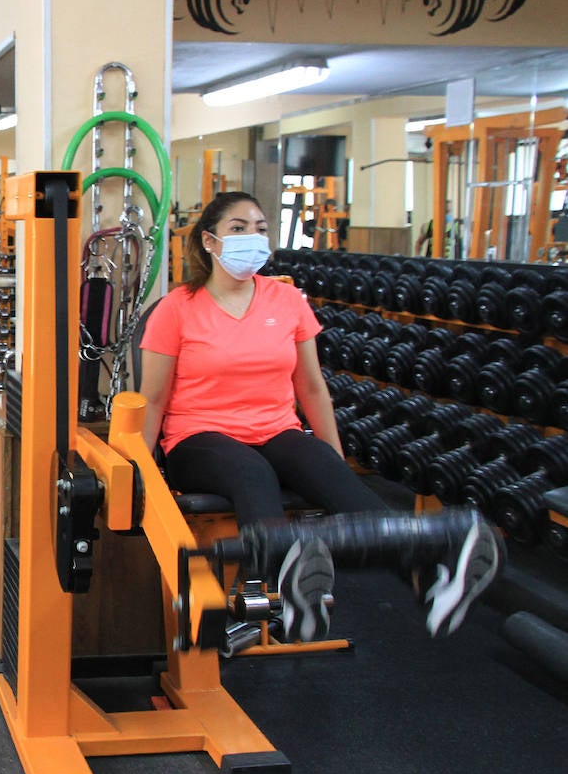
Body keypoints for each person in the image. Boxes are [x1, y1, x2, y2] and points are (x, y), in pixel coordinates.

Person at [138, 190, 503, 641]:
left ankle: (427, 573)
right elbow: (152, 398)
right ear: (210, 242)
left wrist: (329, 457)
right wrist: (141, 465)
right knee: (251, 473)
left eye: (260, 229)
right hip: (198, 437)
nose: (253, 237)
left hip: (275, 429)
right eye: (238, 229)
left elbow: (310, 386)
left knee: (328, 470)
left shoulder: (286, 301)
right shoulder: (177, 308)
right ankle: (266, 596)